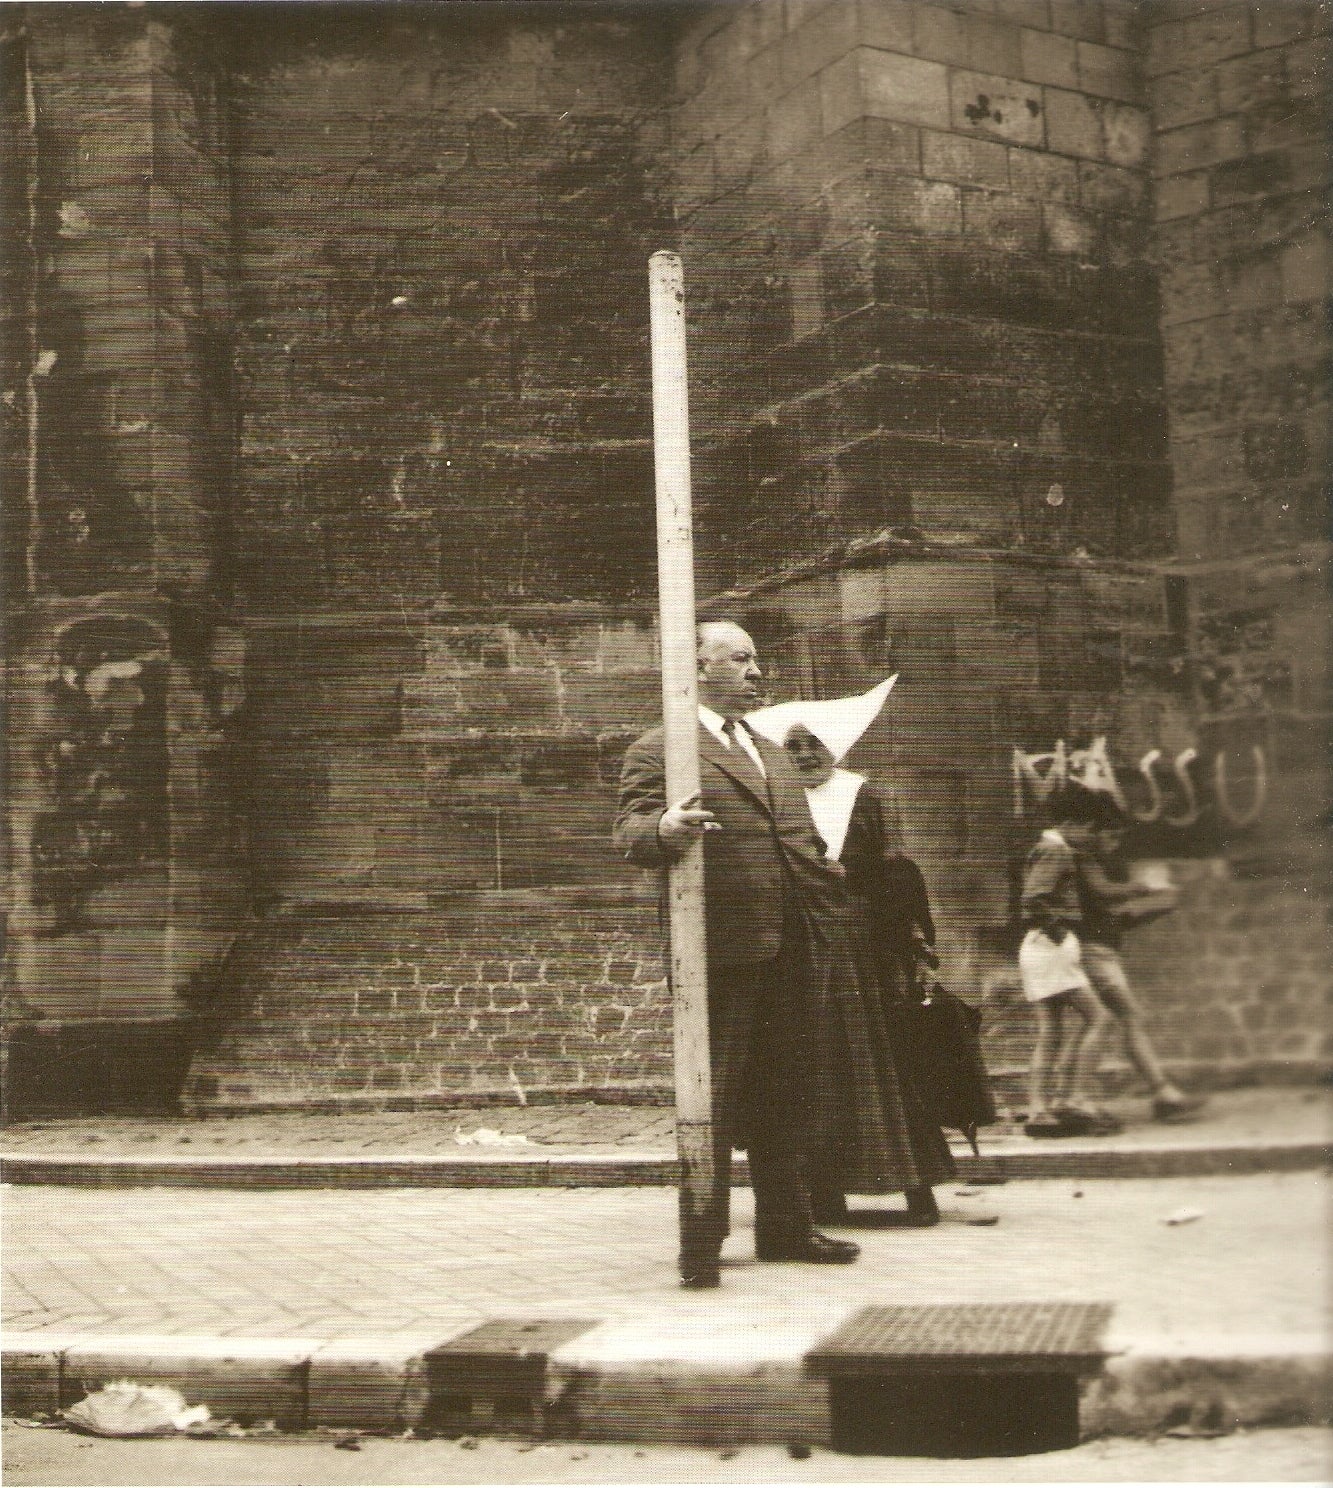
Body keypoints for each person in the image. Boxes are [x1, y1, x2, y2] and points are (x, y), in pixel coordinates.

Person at [613, 621, 860, 1286]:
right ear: (696, 668)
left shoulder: (770, 749)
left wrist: (828, 891)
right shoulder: (662, 747)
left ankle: (785, 1226)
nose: (756, 672)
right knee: (713, 1096)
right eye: (741, 660)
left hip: (791, 945)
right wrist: (663, 828)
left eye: (756, 659)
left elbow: (799, 839)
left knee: (787, 1089)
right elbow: (631, 831)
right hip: (720, 951)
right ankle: (703, 1236)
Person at [771, 718, 956, 1227]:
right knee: (818, 1068)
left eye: (815, 744)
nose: (805, 755)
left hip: (864, 950)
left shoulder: (863, 794)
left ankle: (916, 1190)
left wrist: (909, 942)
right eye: (793, 746)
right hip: (802, 950)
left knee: (884, 1064)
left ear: (835, 746)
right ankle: (825, 1194)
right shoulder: (777, 796)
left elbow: (894, 870)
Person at [1078, 813, 1207, 1123]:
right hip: (1093, 953)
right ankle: (1083, 1098)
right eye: (1109, 835)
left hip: (1103, 952)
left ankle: (1160, 1093)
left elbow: (1116, 918)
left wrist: (1155, 910)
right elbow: (1103, 893)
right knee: (1118, 1019)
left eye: (1118, 837)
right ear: (1093, 831)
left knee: (1112, 1021)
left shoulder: (1100, 866)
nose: (1114, 842)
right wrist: (1144, 888)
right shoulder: (1084, 861)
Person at [1017, 784, 1120, 1138]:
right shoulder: (1057, 849)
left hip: (1039, 947)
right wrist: (1061, 935)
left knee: (1051, 1033)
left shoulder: (1047, 846)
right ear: (1072, 822)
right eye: (1089, 829)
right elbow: (1034, 898)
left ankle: (1039, 1110)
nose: (1090, 837)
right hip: (1049, 947)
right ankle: (1076, 1098)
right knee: (1100, 1018)